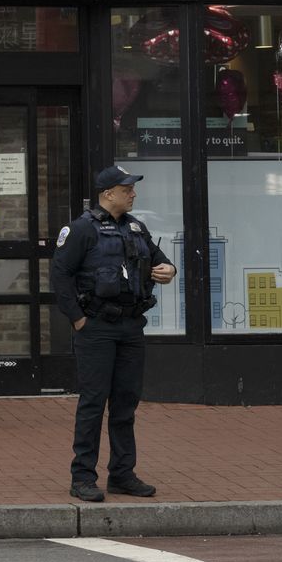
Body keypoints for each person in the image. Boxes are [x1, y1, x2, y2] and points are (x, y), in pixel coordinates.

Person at [52, 166, 176, 503]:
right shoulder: (81, 229)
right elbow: (60, 277)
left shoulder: (137, 228)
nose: (133, 194)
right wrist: (78, 320)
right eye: (127, 189)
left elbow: (161, 261)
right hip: (96, 328)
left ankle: (122, 473)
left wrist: (169, 270)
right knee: (93, 403)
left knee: (126, 403)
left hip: (131, 327)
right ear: (108, 193)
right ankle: (83, 477)